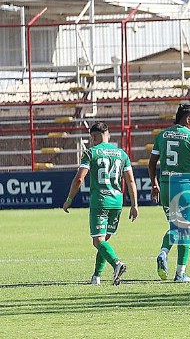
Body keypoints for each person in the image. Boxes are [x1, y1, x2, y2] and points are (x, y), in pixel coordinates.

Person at [63, 122, 138, 286]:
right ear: (108, 134)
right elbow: (131, 180)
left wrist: (69, 199)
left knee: (98, 241)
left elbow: (79, 179)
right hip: (117, 202)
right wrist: (134, 205)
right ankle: (96, 277)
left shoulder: (91, 153)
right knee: (105, 240)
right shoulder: (122, 154)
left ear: (94, 136)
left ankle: (117, 264)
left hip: (100, 201)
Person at [149, 104, 190, 283]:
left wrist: (154, 183)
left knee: (175, 226)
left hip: (166, 187)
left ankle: (163, 252)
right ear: (187, 119)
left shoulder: (162, 135)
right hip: (185, 188)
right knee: (185, 230)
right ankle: (180, 274)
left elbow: (152, 163)